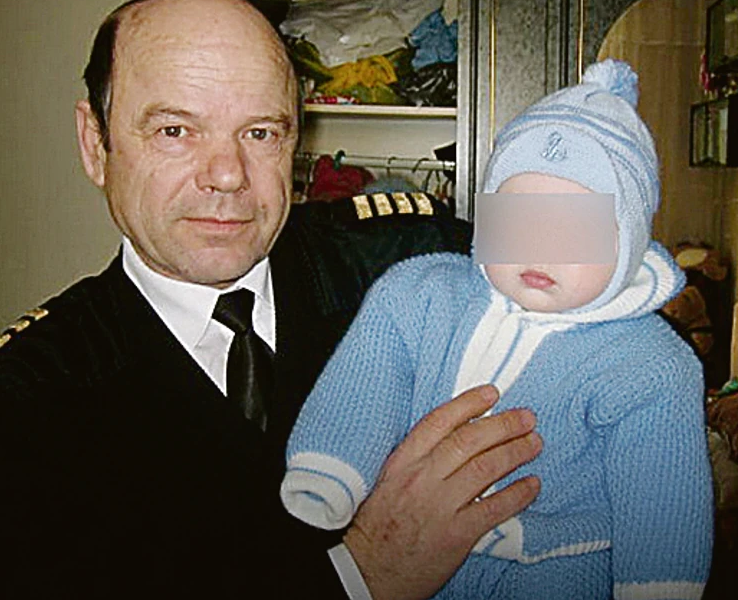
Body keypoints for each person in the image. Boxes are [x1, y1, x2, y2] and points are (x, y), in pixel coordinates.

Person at [0, 0, 543, 599]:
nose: (228, 175)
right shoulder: (31, 395)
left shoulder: (400, 253)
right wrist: (362, 573)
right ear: (95, 143)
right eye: (175, 130)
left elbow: (591, 246)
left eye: (260, 133)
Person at [281, 61, 714, 599]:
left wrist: (659, 585)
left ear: (626, 244)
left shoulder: (648, 364)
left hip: (555, 567)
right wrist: (330, 469)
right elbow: (368, 379)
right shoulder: (423, 292)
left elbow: (662, 493)